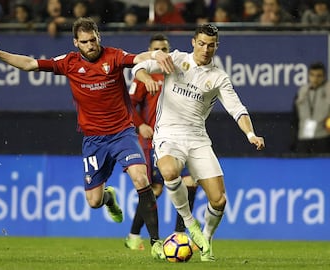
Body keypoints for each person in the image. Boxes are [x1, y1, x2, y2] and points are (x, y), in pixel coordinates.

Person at [0, 16, 175, 259]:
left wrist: (155, 55)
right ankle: (108, 198)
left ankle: (156, 243)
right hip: (93, 140)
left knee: (140, 177)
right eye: (85, 42)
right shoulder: (68, 63)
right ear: (76, 43)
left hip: (122, 133)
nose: (91, 45)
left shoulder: (113, 56)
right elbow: (30, 64)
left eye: (93, 40)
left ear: (98, 37)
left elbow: (137, 58)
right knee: (94, 201)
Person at [132, 23, 265, 261]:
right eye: (201, 43)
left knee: (219, 200)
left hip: (197, 138)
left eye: (211, 45)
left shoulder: (218, 78)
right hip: (168, 134)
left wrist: (250, 134)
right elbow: (139, 67)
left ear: (216, 46)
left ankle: (206, 239)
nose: (205, 49)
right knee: (169, 170)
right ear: (193, 42)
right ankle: (190, 223)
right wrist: (146, 78)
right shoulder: (176, 60)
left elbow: (237, 109)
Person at [125, 33, 198, 250]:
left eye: (165, 49)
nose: (162, 53)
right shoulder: (144, 75)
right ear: (150, 50)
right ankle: (133, 235)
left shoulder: (177, 71)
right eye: (158, 49)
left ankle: (179, 233)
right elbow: (128, 105)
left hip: (179, 137)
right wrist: (140, 125)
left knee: (190, 182)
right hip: (154, 140)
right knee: (154, 189)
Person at [290, 62, 330, 154]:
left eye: (319, 76)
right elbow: (295, 118)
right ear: (308, 76)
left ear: (324, 76)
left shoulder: (328, 90)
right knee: (302, 167)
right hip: (303, 138)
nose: (315, 79)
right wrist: (294, 140)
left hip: (323, 138)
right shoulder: (302, 91)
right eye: (312, 75)